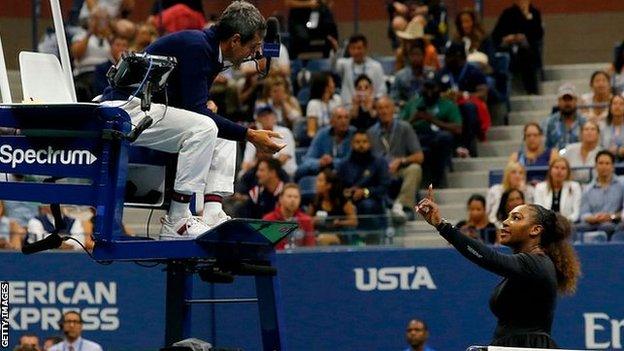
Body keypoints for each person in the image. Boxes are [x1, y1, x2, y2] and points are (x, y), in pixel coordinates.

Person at [101, 1, 284, 239]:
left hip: (148, 108)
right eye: (253, 46)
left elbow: (188, 101)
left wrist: (207, 108)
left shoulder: (211, 50)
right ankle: (177, 220)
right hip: (123, 110)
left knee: (219, 127)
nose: (254, 53)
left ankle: (213, 211)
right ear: (235, 40)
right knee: (207, 127)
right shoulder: (198, 47)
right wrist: (250, 136)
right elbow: (196, 112)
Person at [416, 186, 581, 348]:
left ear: (535, 230)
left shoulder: (537, 263)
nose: (505, 222)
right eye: (508, 217)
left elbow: (487, 257)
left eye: (516, 218)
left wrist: (442, 226)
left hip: (526, 347)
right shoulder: (528, 265)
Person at [368, 96, 423, 217]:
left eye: (387, 107)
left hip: (400, 169)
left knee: (415, 169)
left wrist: (401, 160)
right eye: (380, 108)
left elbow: (419, 156)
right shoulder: (371, 132)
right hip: (380, 171)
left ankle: (403, 206)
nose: (384, 111)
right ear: (376, 111)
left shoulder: (405, 127)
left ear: (393, 109)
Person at [400, 79, 461, 187]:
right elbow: (399, 128)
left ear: (439, 89)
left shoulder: (447, 104)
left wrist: (432, 119)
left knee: (444, 138)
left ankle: (438, 180)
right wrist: (414, 118)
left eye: (432, 88)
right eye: (426, 88)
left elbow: (457, 128)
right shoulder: (413, 104)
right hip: (416, 137)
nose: (429, 92)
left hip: (436, 137)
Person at [337, 130, 390, 235]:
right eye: (357, 142)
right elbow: (338, 187)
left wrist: (365, 192)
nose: (361, 145)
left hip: (373, 201)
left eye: (364, 142)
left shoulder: (379, 163)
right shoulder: (343, 165)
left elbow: (384, 187)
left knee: (367, 205)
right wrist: (346, 192)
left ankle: (371, 238)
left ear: (370, 144)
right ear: (352, 144)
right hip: (349, 202)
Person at [491, 0, 544, 95]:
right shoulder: (507, 13)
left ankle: (531, 90)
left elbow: (538, 35)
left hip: (527, 49)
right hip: (509, 49)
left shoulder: (534, 13)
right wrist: (507, 38)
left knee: (526, 55)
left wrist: (527, 17)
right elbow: (496, 35)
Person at [576, 150, 623, 241]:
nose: (604, 166)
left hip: (615, 223)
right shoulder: (588, 189)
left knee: (607, 226)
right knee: (576, 228)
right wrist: (594, 218)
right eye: (601, 163)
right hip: (593, 224)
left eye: (607, 163)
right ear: (595, 166)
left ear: (613, 166)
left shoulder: (621, 185)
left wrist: (612, 216)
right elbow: (583, 214)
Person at [297, 106, 355, 179]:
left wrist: (332, 162)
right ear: (332, 121)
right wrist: (320, 162)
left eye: (346, 117)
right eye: (339, 118)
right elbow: (308, 159)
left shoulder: (355, 134)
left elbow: (352, 162)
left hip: (347, 175)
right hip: (324, 172)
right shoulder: (322, 134)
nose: (343, 121)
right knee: (301, 170)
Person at [241, 106, 297, 178]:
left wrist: (261, 163)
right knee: (243, 176)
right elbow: (245, 165)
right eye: (263, 115)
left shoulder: (284, 132)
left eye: (269, 114)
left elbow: (283, 159)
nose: (267, 117)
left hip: (284, 173)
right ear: (258, 119)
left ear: (274, 117)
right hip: (260, 174)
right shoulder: (254, 135)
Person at [307, 168, 358, 245]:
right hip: (319, 233)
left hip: (339, 235)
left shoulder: (342, 201)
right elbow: (306, 220)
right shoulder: (315, 200)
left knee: (322, 239)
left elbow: (354, 222)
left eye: (320, 181)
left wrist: (340, 222)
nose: (316, 183)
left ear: (328, 185)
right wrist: (313, 221)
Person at [334, 34, 387, 103]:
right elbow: (333, 67)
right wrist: (335, 51)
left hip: (371, 106)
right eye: (353, 48)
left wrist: (372, 100)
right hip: (349, 107)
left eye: (359, 48)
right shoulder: (344, 64)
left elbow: (382, 90)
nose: (356, 52)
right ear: (349, 49)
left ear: (365, 48)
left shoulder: (376, 66)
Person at [263, 183, 315, 249]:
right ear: (280, 199)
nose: (293, 200)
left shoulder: (306, 220)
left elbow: (310, 248)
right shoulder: (268, 220)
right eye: (289, 196)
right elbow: (264, 248)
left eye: (296, 197)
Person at [534, 157, 582, 223]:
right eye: (556, 167)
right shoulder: (540, 187)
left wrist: (565, 222)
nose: (559, 171)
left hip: (568, 224)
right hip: (546, 225)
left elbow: (576, 213)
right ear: (550, 170)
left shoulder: (574, 186)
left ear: (568, 172)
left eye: (563, 168)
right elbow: (539, 212)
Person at [542, 83, 587, 150]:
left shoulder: (584, 122)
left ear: (576, 101)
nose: (567, 103)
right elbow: (544, 147)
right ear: (559, 101)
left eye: (570, 99)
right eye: (564, 100)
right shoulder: (549, 123)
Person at [391, 39, 433, 106]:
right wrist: (402, 103)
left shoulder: (431, 74)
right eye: (413, 55)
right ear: (409, 56)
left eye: (418, 54)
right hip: (406, 109)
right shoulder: (400, 76)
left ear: (424, 56)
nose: (415, 58)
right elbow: (394, 97)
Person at [306, 72, 343, 140]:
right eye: (332, 82)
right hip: (321, 139)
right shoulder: (313, 104)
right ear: (325, 87)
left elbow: (342, 121)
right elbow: (311, 132)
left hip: (338, 137)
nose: (334, 85)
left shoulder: (337, 99)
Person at [600, 94, 624, 161]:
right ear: (610, 108)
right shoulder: (602, 126)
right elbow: (599, 147)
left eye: (621, 104)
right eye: (615, 103)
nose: (617, 106)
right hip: (606, 161)